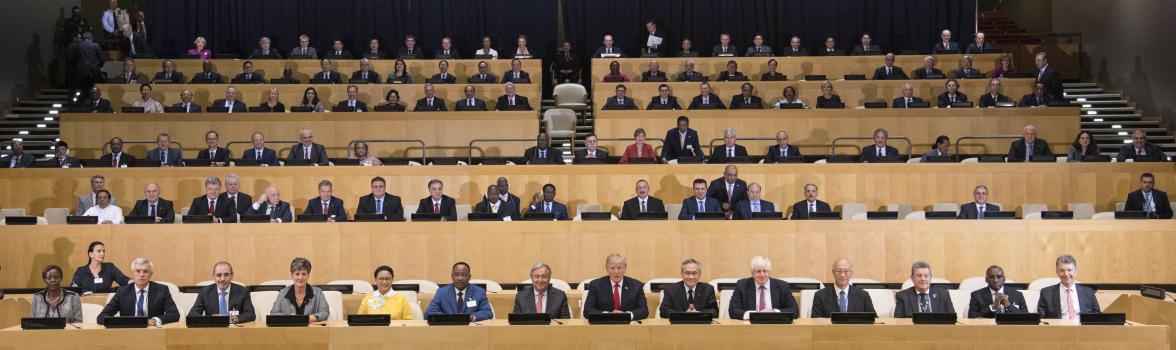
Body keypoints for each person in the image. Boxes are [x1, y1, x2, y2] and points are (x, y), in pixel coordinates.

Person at [97, 257, 180, 325]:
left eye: (145, 271)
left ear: (151, 274)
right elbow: (101, 317)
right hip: (128, 333)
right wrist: (122, 322)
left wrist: (154, 321)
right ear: (133, 274)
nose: (141, 275)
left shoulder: (162, 290)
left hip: (153, 331)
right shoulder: (122, 292)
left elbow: (174, 314)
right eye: (138, 271)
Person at [729, 256, 798, 319]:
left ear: (769, 272)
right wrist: (754, 314)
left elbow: (794, 311)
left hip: (776, 326)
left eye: (765, 271)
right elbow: (733, 310)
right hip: (750, 327)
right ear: (752, 273)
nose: (762, 275)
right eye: (758, 271)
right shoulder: (742, 285)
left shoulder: (782, 286)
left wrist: (774, 312)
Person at [583, 254, 648, 320]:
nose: (616, 272)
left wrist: (627, 315)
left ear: (625, 268)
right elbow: (587, 310)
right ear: (607, 268)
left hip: (629, 326)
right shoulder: (596, 285)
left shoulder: (636, 285)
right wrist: (607, 315)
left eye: (619, 268)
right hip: (604, 326)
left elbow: (644, 310)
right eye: (612, 268)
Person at [188, 261, 256, 323]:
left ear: (232, 276)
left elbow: (250, 314)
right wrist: (210, 319)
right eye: (219, 275)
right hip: (212, 331)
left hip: (236, 331)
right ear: (213, 276)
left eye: (226, 275)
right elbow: (192, 314)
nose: (222, 279)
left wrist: (230, 319)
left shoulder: (243, 291)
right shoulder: (205, 292)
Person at [1037, 255, 1100, 319]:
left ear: (1075, 272)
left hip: (1082, 328)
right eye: (1062, 270)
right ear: (1057, 272)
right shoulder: (1046, 293)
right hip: (1058, 327)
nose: (1066, 274)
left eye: (1069, 270)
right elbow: (1041, 320)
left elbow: (1097, 317)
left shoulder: (1088, 292)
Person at [426, 262, 493, 321]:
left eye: (463, 275)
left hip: (471, 330)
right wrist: (450, 318)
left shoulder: (479, 292)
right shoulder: (441, 292)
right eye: (456, 274)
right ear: (452, 276)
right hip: (448, 329)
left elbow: (487, 312)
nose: (460, 278)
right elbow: (429, 313)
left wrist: (470, 317)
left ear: (469, 277)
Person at [810, 259, 876, 318]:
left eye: (846, 271)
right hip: (830, 331)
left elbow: (874, 319)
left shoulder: (863, 295)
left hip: (856, 331)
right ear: (833, 273)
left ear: (851, 273)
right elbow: (815, 321)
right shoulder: (820, 295)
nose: (842, 275)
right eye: (838, 271)